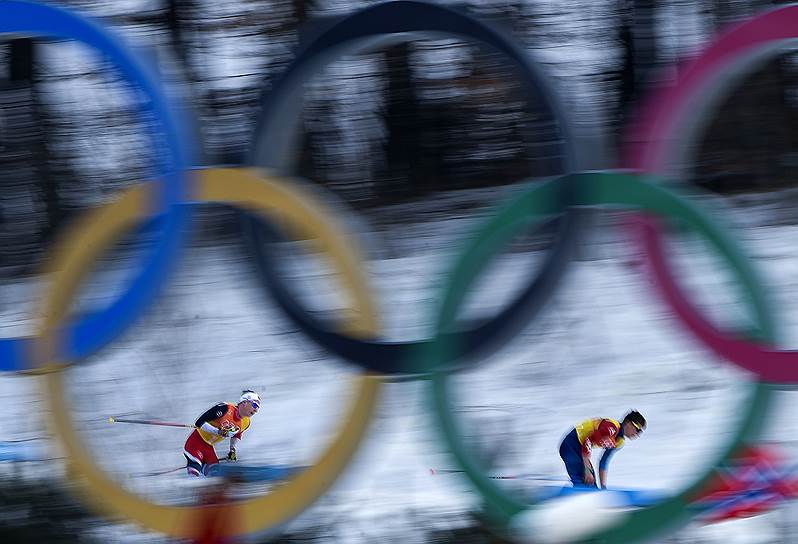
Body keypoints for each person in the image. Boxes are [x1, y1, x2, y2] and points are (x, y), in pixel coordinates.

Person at [558, 410, 646, 489]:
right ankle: (570, 496)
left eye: (640, 432)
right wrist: (587, 470)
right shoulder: (611, 428)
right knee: (582, 481)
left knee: (591, 485)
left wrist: (603, 488)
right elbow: (588, 441)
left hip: (580, 450)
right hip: (570, 444)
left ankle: (572, 494)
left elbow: (603, 462)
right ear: (628, 423)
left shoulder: (619, 442)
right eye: (638, 430)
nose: (637, 434)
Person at [183, 390, 261, 477]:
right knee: (195, 468)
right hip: (196, 442)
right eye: (254, 405)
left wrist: (232, 450)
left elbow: (236, 435)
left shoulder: (246, 423)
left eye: (258, 407)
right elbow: (199, 422)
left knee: (215, 472)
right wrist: (217, 431)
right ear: (245, 402)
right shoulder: (225, 408)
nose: (256, 410)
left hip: (209, 447)